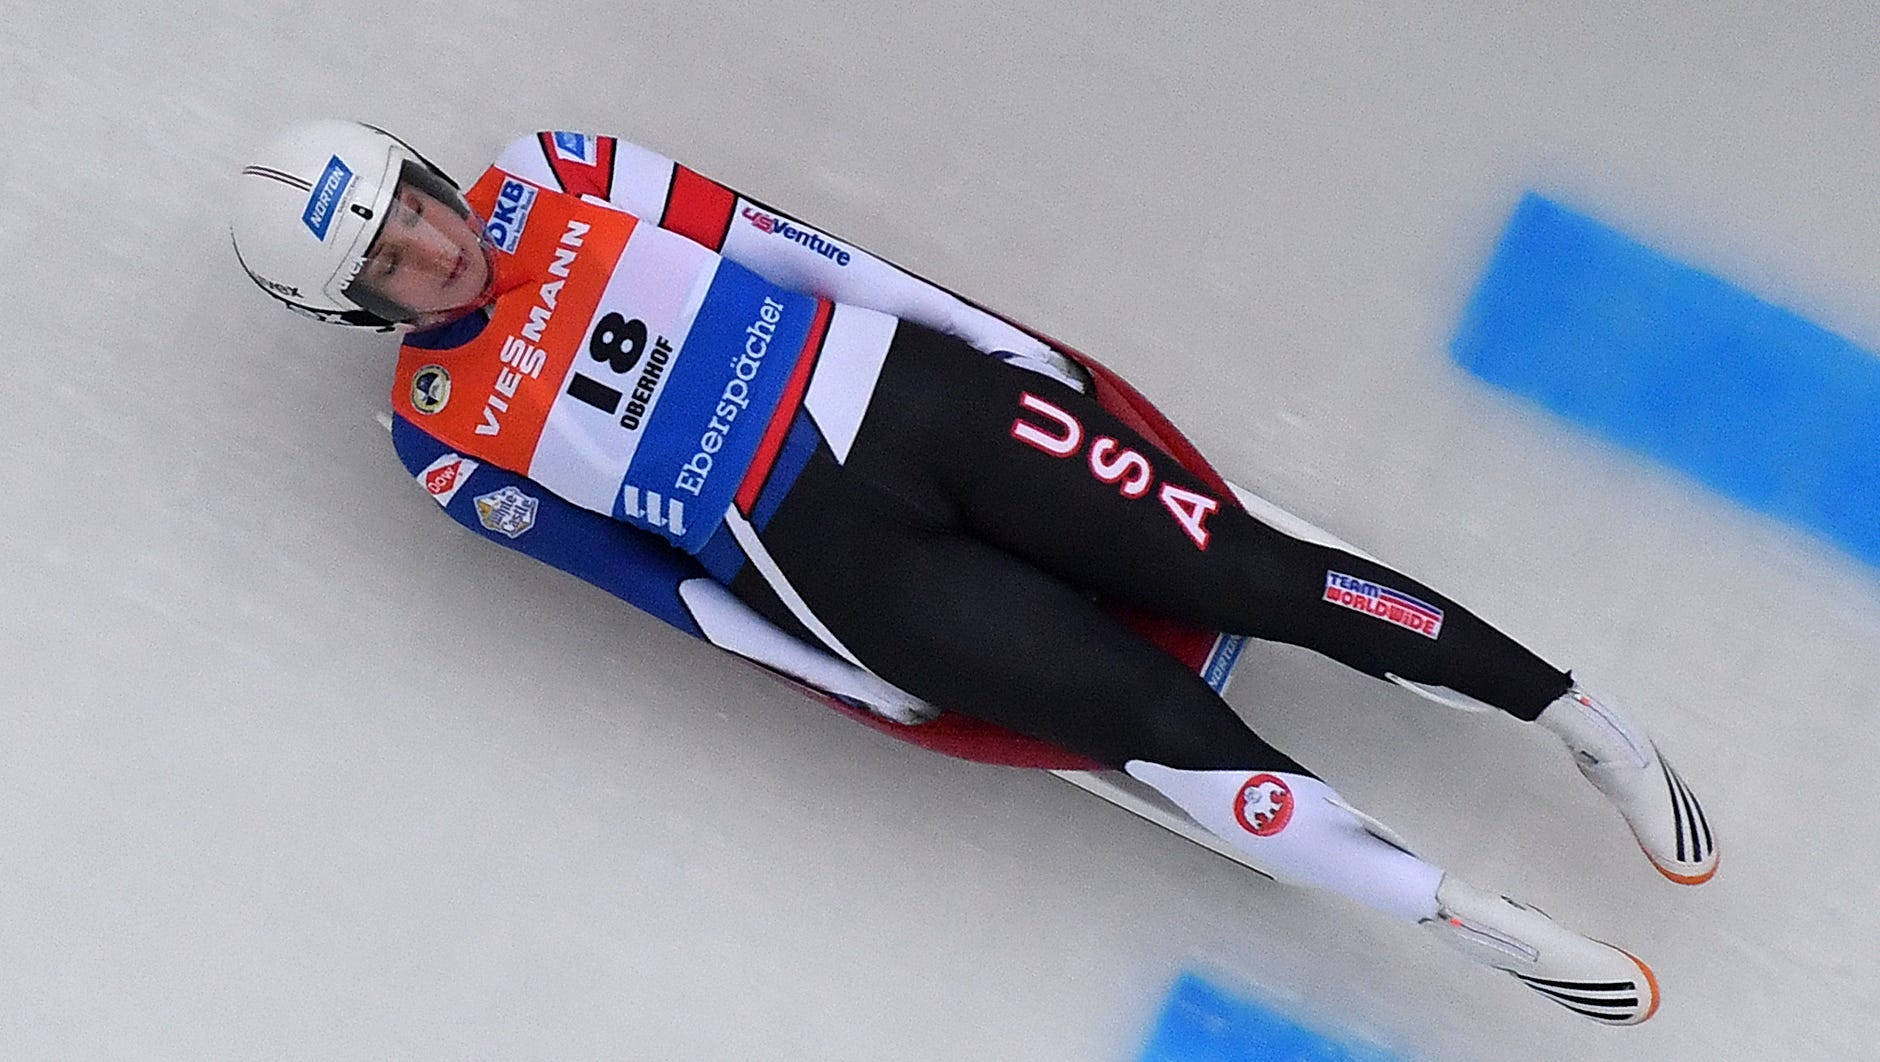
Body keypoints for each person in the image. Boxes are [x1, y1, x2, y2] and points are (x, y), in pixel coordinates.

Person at [231, 120, 1716, 1025]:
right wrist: (833, 672)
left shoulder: (563, 170)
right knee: (1161, 733)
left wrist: (987, 340)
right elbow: (657, 590)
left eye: (416, 207)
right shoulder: (439, 447)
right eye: (393, 266)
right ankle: (1456, 911)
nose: (433, 248)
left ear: (432, 174)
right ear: (363, 313)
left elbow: (783, 243)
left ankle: (1578, 714)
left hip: (913, 397)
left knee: (1255, 573)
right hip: (830, 564)